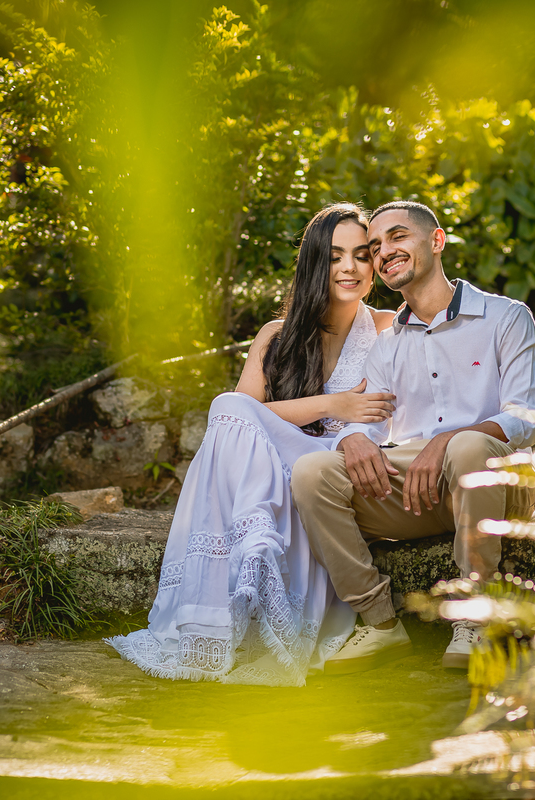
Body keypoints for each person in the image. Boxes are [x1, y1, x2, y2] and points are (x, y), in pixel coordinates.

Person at [106, 203, 396, 686]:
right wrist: (333, 404)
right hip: (274, 463)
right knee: (228, 406)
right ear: (314, 263)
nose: (349, 267)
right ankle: (254, 545)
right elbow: (240, 413)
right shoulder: (277, 334)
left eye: (361, 255)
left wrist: (344, 418)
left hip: (334, 465)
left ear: (374, 264)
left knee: (240, 416)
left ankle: (260, 553)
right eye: (334, 256)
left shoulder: (390, 326)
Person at [291, 200, 535, 674]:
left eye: (398, 236)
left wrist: (446, 441)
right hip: (419, 492)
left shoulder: (506, 317)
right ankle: (380, 623)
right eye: (375, 246)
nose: (384, 251)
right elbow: (369, 420)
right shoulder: (387, 344)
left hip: (497, 482)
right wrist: (352, 439)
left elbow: (526, 418)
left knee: (467, 445)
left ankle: (476, 615)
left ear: (437, 240)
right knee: (312, 471)